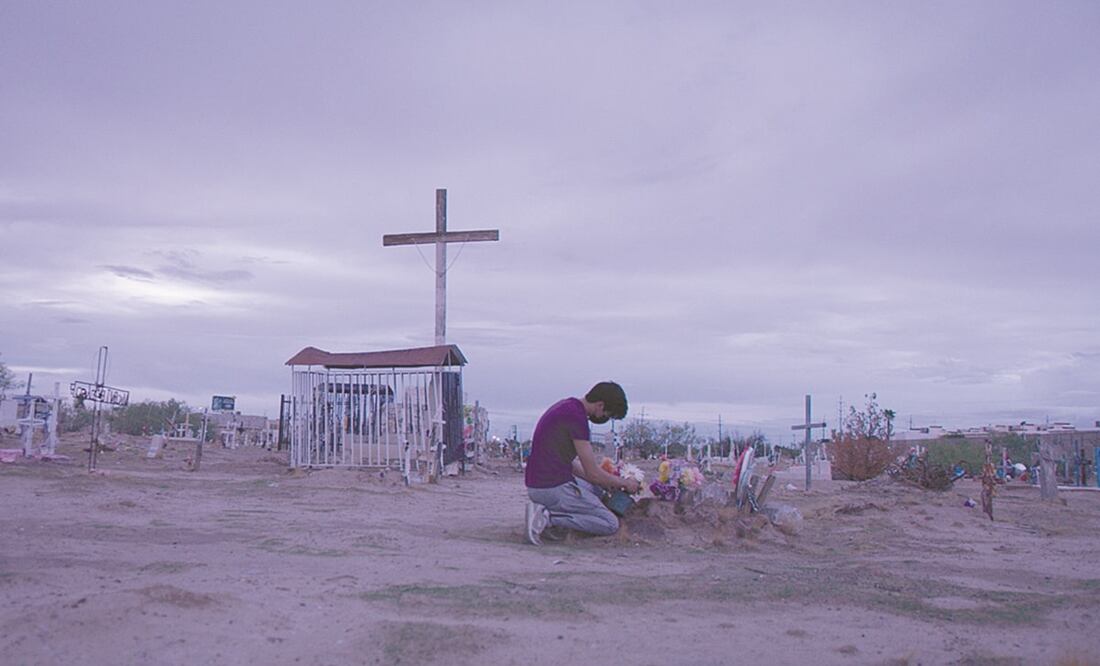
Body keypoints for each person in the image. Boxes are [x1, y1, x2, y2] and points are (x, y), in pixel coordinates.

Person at [524, 381, 640, 545]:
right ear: (600, 405)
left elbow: (571, 465)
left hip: (540, 484)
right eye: (607, 414)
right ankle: (547, 519)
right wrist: (624, 483)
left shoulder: (567, 407)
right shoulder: (576, 418)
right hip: (552, 488)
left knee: (597, 491)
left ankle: (549, 514)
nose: (604, 418)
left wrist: (606, 481)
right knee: (609, 523)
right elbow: (592, 473)